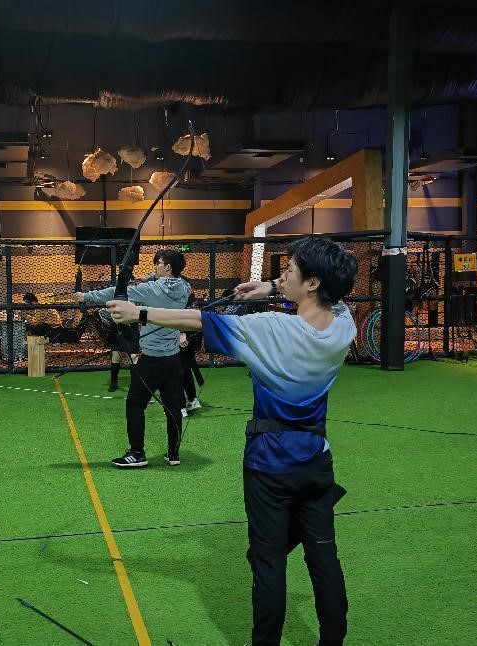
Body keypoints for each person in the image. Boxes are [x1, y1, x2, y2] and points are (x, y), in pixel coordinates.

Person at [106, 236, 358, 645]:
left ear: (312, 283)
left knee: (268, 561)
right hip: (316, 461)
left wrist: (139, 312)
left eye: (289, 271)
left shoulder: (271, 328)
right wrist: (269, 287)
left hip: (269, 464)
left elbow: (198, 321)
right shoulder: (343, 326)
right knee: (323, 554)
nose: (283, 275)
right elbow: (335, 297)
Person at [75, 249, 191, 468]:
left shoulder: (151, 290)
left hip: (152, 360)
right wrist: (149, 277)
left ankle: (137, 453)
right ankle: (173, 453)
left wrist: (86, 297)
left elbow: (118, 292)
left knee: (135, 404)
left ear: (167, 267)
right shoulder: (185, 287)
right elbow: (170, 281)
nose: (155, 267)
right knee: (172, 407)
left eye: (158, 264)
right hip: (174, 359)